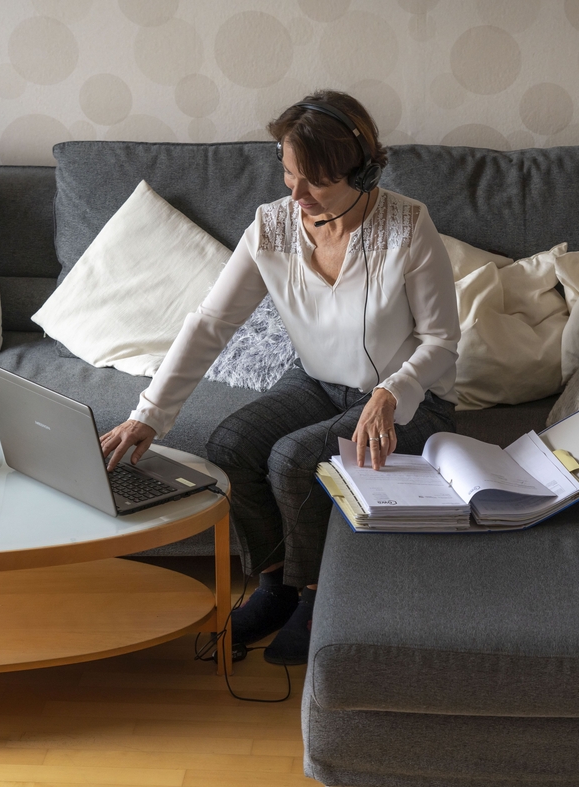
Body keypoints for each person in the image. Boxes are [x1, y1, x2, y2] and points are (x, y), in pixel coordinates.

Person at [99, 90, 459, 665]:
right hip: (316, 382)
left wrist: (393, 391)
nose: (295, 193)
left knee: (295, 457)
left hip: (407, 401)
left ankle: (315, 599)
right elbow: (211, 322)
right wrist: (150, 413)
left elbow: (443, 341)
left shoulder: (407, 226)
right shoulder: (271, 228)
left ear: (361, 172)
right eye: (288, 173)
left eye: (313, 181)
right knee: (230, 443)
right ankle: (275, 589)